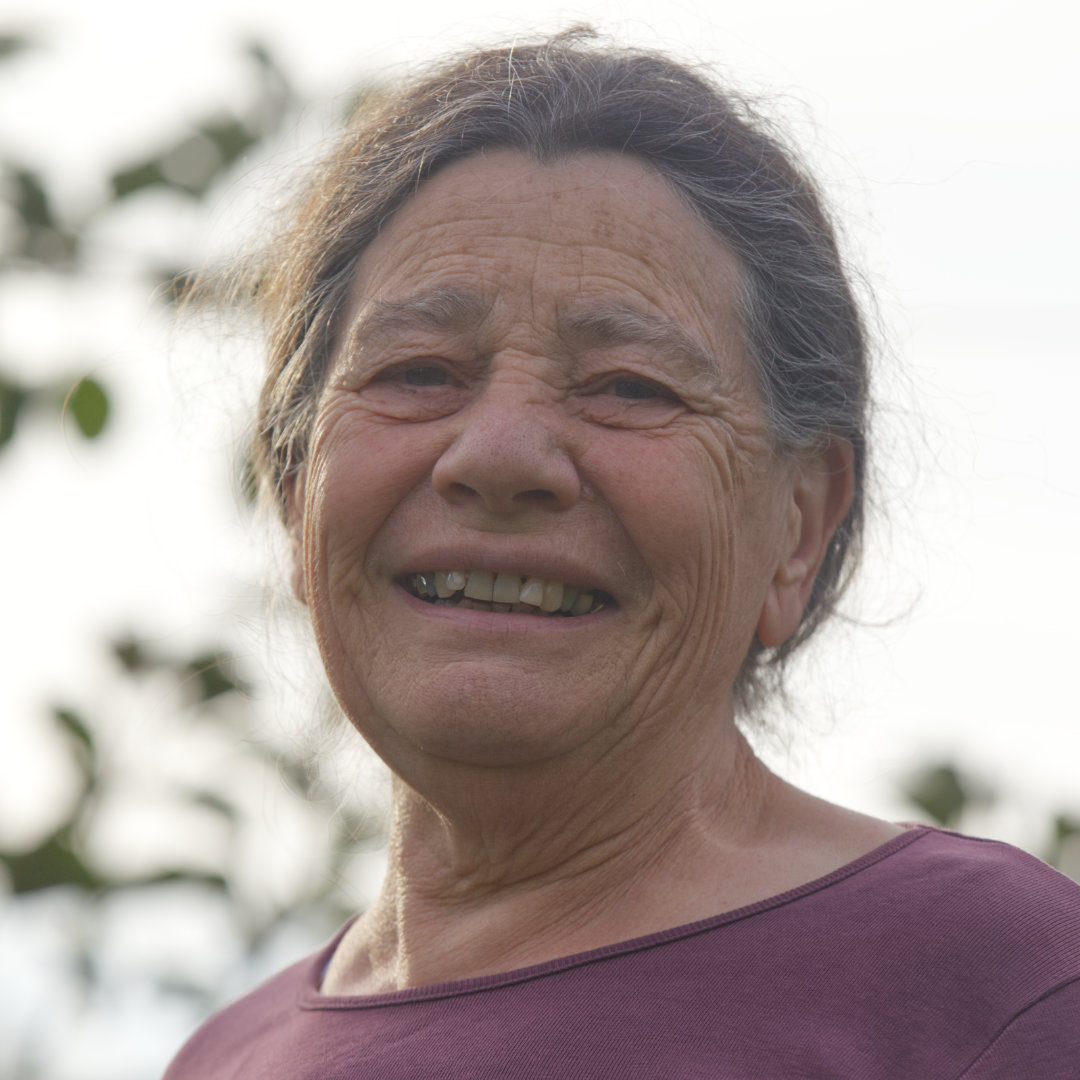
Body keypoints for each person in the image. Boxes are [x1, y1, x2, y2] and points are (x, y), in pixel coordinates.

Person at [164, 28, 1080, 1079]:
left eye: (628, 386)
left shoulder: (996, 993)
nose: (498, 455)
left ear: (799, 525)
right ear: (295, 489)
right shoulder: (222, 1058)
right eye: (418, 372)